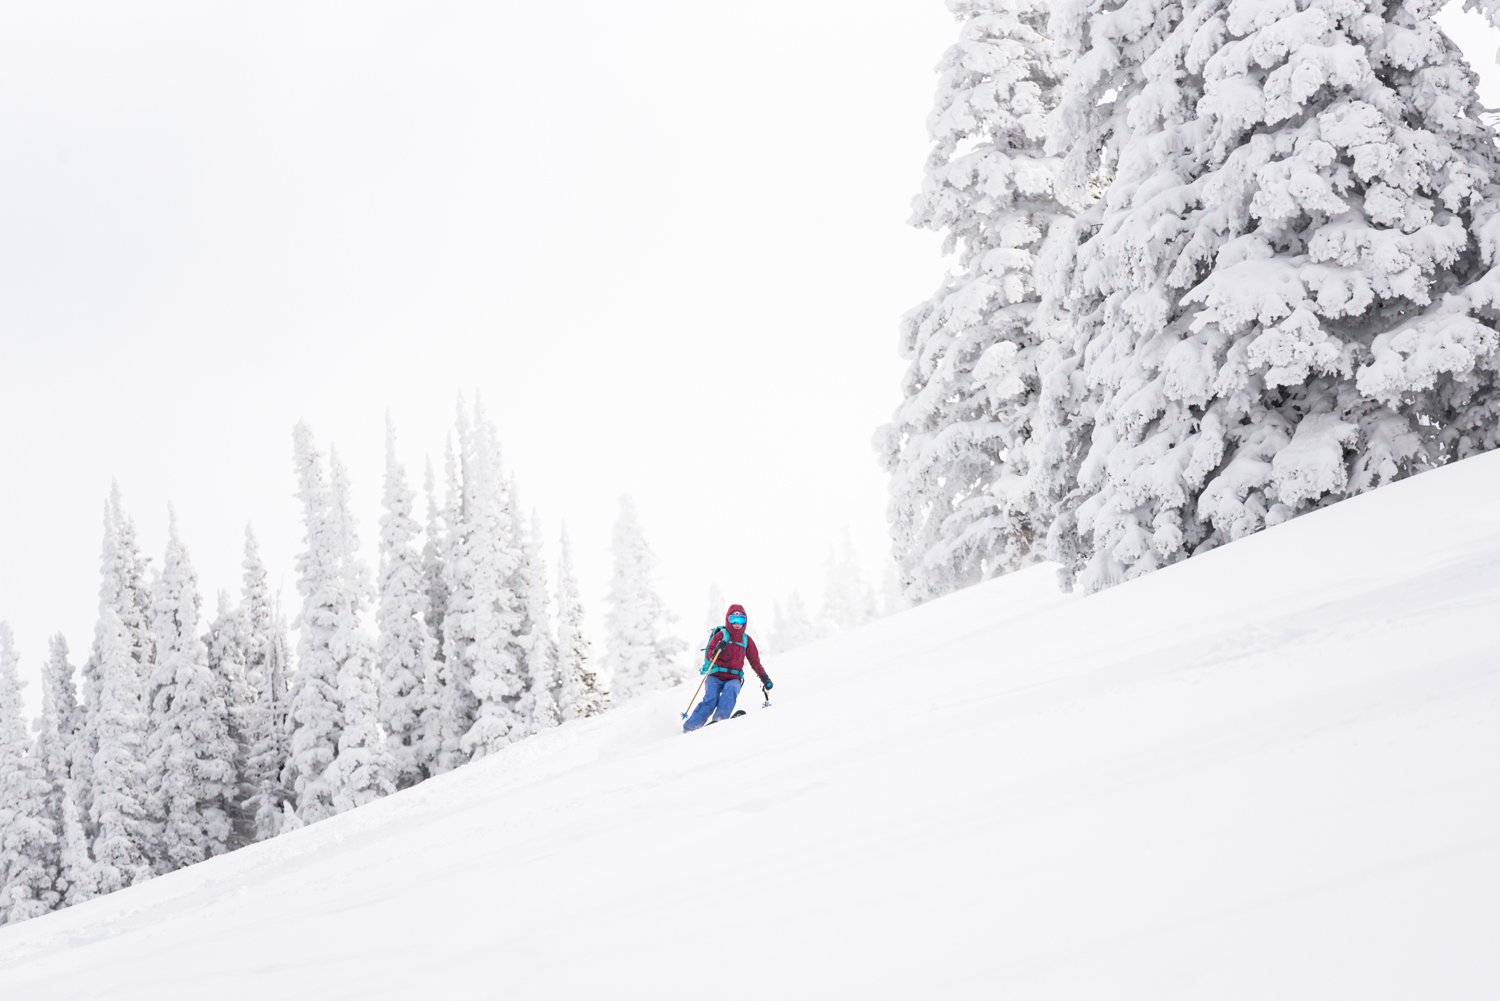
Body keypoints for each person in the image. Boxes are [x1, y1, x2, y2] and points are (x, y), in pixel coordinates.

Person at [683, 603, 772, 732]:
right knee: (711, 699)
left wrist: (765, 678)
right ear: (728, 620)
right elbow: (709, 655)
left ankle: (720, 720)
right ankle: (691, 727)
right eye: (733, 619)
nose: (737, 623)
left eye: (740, 620)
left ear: (745, 622)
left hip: (734, 677)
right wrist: (716, 651)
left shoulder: (746, 640)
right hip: (715, 675)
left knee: (731, 690)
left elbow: (755, 662)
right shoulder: (721, 635)